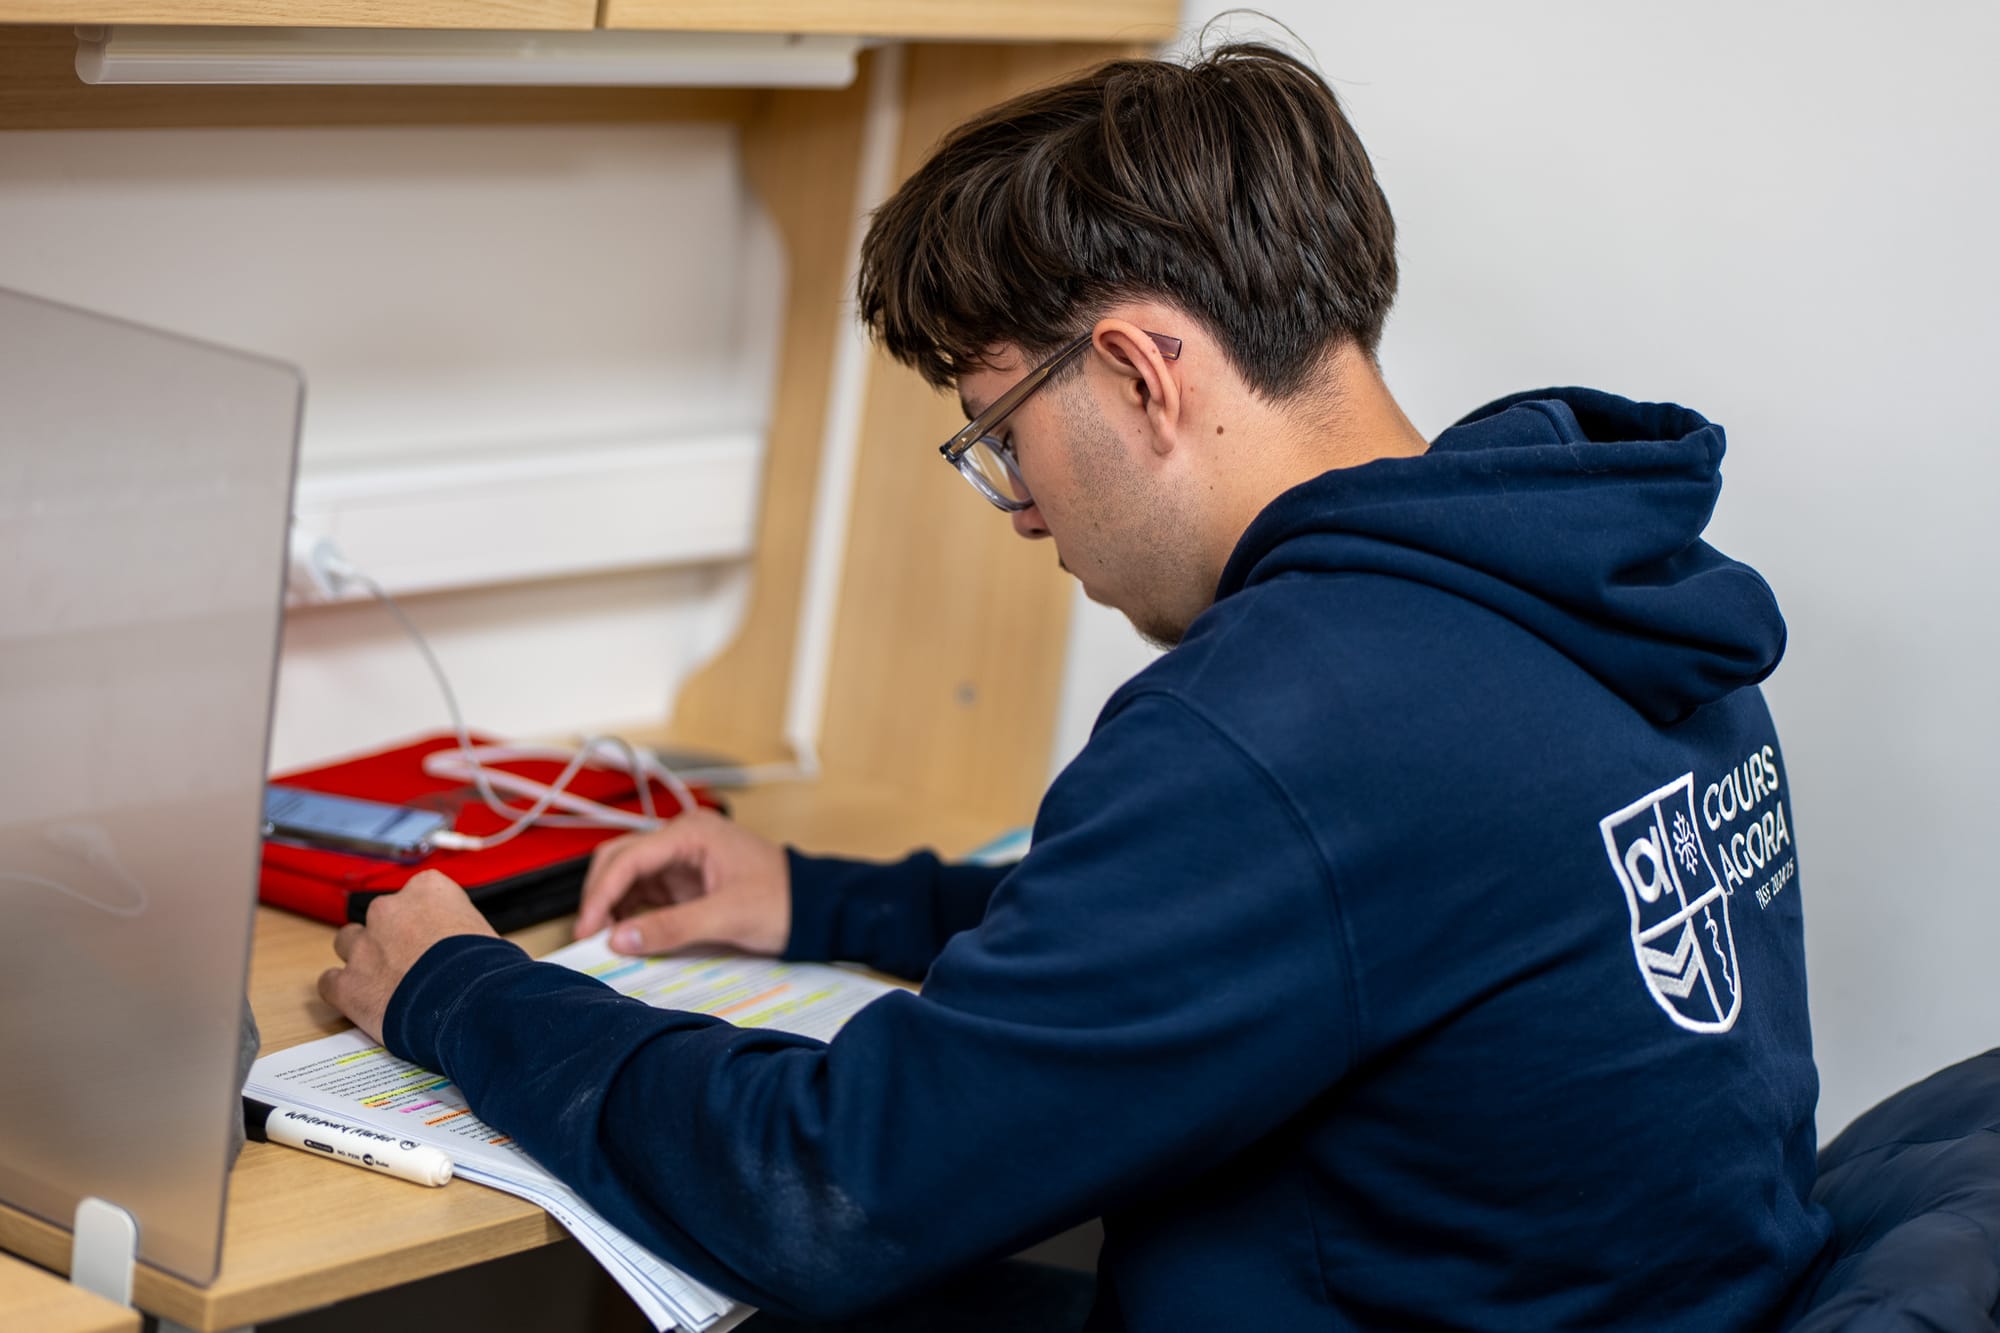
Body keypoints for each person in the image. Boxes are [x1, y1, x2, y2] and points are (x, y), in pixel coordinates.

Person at [319, 41, 1830, 1331]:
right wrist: (827, 900)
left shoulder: (1289, 717)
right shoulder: (1574, 578)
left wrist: (459, 990)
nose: (1025, 511)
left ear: (1138, 373)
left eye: (1000, 438)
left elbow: (828, 1190)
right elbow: (1302, 924)